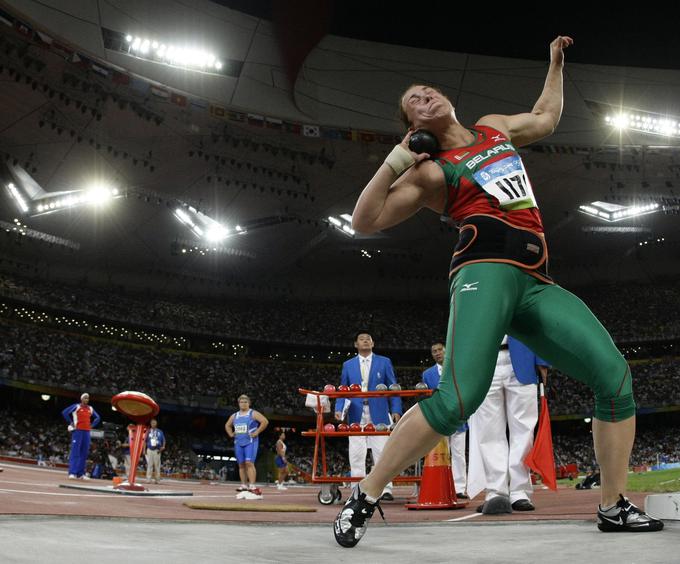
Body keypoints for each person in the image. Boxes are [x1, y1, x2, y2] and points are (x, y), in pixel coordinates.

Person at [333, 36, 663, 548]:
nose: (426, 96)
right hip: (482, 272)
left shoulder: (493, 127)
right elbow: (363, 220)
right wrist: (398, 159)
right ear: (414, 127)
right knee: (457, 401)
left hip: (535, 279)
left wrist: (555, 65)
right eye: (415, 102)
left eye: (428, 90)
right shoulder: (429, 172)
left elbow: (546, 117)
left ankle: (613, 505)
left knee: (615, 377)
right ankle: (366, 494)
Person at [467, 336, 549, 513]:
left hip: (522, 358)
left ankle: (519, 491)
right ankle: (496, 491)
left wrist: (543, 359)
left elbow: (538, 319)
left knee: (523, 430)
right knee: (488, 432)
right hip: (483, 359)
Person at [334, 331, 402, 501]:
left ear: (373, 343)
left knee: (382, 451)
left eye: (368, 339)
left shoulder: (384, 362)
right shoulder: (348, 365)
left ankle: (385, 488)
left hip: (378, 410)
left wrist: (396, 409)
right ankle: (358, 488)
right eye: (361, 339)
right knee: (357, 452)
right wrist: (339, 407)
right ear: (356, 344)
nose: (365, 341)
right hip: (357, 411)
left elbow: (393, 386)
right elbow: (343, 389)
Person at [422, 342, 468, 498]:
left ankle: (460, 487)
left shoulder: (457, 369)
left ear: (446, 350)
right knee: (441, 454)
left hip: (458, 416)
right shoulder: (427, 374)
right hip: (439, 418)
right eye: (434, 351)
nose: (437, 353)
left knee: (459, 454)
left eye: (440, 349)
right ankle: (443, 486)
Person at [225, 395, 269, 495]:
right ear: (238, 403)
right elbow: (227, 425)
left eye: (245, 402)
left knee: (249, 463)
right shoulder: (235, 415)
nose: (243, 403)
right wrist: (231, 434)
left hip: (250, 442)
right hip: (238, 443)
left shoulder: (253, 413)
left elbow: (265, 421)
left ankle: (252, 485)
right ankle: (244, 485)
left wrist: (257, 432)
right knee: (241, 465)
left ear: (249, 403)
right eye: (241, 402)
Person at [61, 393, 101, 480]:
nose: (87, 400)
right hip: (78, 431)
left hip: (87, 432)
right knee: (76, 452)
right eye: (85, 398)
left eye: (88, 398)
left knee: (84, 453)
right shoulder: (77, 406)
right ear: (81, 399)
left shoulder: (90, 408)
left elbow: (98, 418)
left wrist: (92, 425)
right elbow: (65, 413)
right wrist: (71, 422)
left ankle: (80, 474)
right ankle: (72, 473)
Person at [144, 418, 166, 484]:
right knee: (149, 465)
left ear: (156, 424)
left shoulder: (160, 431)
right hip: (149, 449)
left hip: (157, 450)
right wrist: (143, 450)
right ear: (150, 424)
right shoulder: (148, 431)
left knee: (157, 465)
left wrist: (163, 447)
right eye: (152, 423)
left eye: (154, 423)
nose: (153, 424)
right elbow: (144, 441)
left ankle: (157, 480)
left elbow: (164, 440)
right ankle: (148, 479)